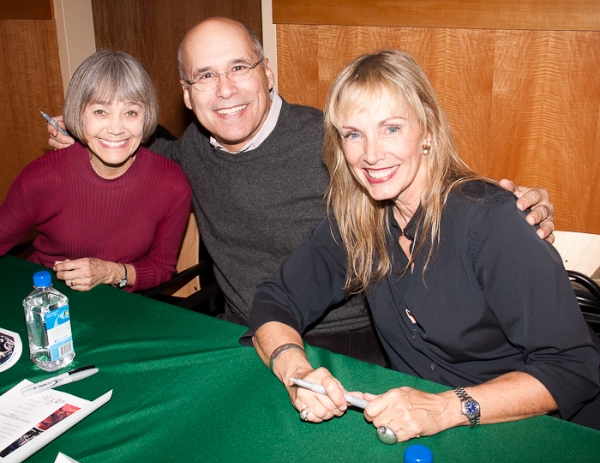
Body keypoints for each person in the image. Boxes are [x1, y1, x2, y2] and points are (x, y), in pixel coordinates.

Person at [47, 18, 555, 365]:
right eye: (205, 76)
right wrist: (86, 133)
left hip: (354, 338)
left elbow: (420, 171)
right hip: (244, 332)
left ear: (268, 72)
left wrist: (517, 205)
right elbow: (132, 143)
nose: (224, 89)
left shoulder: (334, 139)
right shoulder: (191, 153)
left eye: (238, 68)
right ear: (186, 94)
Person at [246, 50, 600, 436]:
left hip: (543, 433)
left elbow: (575, 367)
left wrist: (447, 408)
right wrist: (297, 373)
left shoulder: (491, 221)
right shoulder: (358, 220)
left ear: (427, 131)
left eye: (391, 128)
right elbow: (276, 299)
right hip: (437, 435)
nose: (371, 154)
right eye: (353, 134)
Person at [1, 50, 192, 292]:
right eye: (100, 111)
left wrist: (112, 272)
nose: (115, 128)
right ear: (78, 115)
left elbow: (161, 268)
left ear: (146, 117)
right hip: (45, 300)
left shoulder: (172, 184)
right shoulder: (41, 177)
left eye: (130, 112)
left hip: (118, 309)